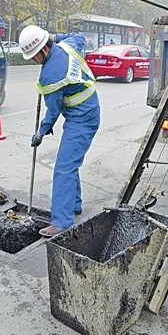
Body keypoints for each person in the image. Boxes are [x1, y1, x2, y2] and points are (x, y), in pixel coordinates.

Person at [19, 25, 101, 237]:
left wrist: (41, 133)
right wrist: (55, 36)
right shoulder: (66, 46)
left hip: (81, 120)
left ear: (44, 50)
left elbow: (53, 111)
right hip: (89, 110)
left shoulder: (51, 74)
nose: (31, 60)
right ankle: (74, 205)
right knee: (70, 162)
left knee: (63, 168)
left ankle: (62, 222)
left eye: (33, 56)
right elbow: (79, 35)